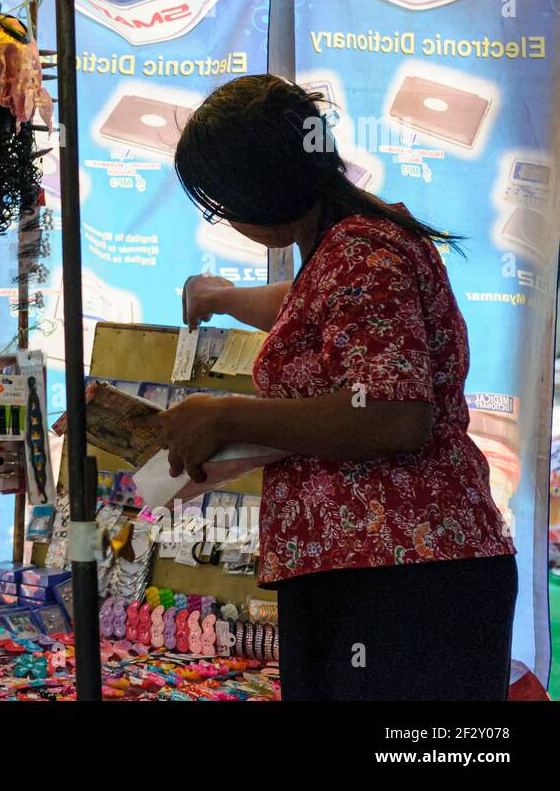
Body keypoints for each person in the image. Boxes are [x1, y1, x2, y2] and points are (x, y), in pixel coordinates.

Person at [151, 74, 517, 700]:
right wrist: (225, 299)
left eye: (222, 204)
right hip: (375, 567)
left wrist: (230, 416)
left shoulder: (362, 250)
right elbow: (316, 309)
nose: (227, 219)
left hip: (401, 571)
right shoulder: (348, 245)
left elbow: (396, 415)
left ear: (259, 191)